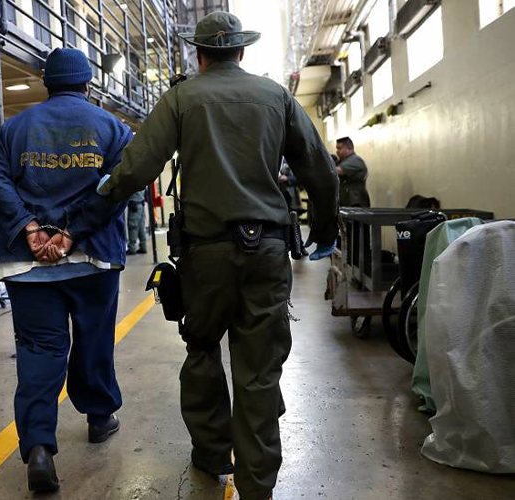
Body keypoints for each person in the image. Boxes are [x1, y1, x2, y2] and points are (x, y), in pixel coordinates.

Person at [97, 11, 339, 500]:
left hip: (206, 255)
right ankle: (258, 485)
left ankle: (211, 454)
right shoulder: (277, 97)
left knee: (203, 348)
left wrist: (104, 194)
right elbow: (320, 169)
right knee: (260, 369)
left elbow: (139, 166)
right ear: (242, 51)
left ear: (199, 54)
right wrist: (325, 228)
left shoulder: (181, 98)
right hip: (268, 251)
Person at [0, 47, 132, 493]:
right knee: (94, 338)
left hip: (28, 266)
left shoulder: (15, 128)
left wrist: (30, 228)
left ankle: (38, 447)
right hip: (93, 259)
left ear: (46, 83)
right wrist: (72, 234)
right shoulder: (112, 128)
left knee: (39, 350)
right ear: (88, 83)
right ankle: (99, 418)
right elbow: (119, 185)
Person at [335, 136, 370, 207]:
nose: (337, 151)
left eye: (339, 148)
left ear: (349, 148)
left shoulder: (355, 160)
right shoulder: (343, 161)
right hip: (347, 202)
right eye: (337, 148)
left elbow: (336, 171)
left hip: (355, 202)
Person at [127, 190, 148, 254]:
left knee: (133, 227)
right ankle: (143, 247)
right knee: (141, 227)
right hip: (141, 203)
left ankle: (132, 248)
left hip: (134, 204)